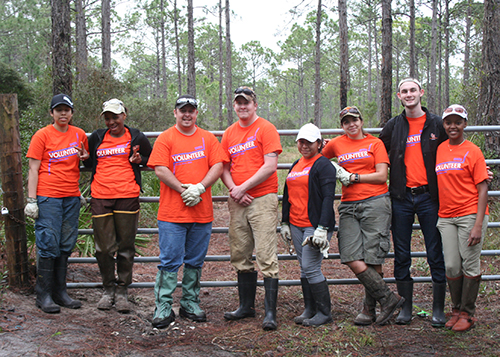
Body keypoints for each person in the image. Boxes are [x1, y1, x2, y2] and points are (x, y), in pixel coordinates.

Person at [147, 95, 227, 328]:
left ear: (196, 113)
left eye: (191, 110)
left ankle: (190, 302)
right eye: (183, 110)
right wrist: (184, 190)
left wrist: (200, 187)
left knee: (195, 260)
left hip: (201, 214)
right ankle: (163, 305)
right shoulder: (165, 138)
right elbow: (160, 169)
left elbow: (218, 165)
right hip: (172, 214)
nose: (187, 114)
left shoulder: (208, 138)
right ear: (175, 112)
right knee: (169, 260)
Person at [323, 107, 404, 325]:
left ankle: (369, 310)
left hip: (375, 202)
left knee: (373, 255)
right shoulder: (336, 144)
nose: (351, 125)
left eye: (354, 120)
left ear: (361, 121)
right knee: (349, 254)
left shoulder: (375, 143)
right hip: (349, 205)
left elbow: (381, 176)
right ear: (342, 126)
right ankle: (388, 298)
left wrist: (353, 177)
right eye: (346, 122)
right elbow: (318, 159)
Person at [379, 78, 448, 326]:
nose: (409, 95)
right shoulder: (393, 125)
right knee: (402, 253)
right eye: (404, 91)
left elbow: (454, 149)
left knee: (435, 252)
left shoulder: (436, 124)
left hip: (429, 196)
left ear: (421, 92)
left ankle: (438, 309)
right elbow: (376, 151)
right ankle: (405, 307)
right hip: (402, 197)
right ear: (399, 96)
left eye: (412, 90)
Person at [221, 86, 282, 331]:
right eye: (238, 103)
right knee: (240, 252)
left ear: (255, 105)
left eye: (246, 102)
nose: (242, 106)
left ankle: (270, 313)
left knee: (266, 255)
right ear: (234, 106)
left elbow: (270, 166)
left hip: (262, 199)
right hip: (238, 201)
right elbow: (224, 168)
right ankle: (246, 307)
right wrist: (235, 190)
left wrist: (242, 188)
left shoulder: (266, 128)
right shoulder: (229, 133)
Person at [83, 99, 152, 313]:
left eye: (115, 116)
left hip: (127, 195)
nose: (111, 121)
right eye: (108, 117)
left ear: (124, 115)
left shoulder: (137, 136)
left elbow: (150, 159)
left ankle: (122, 291)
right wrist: (85, 159)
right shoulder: (96, 137)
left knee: (125, 246)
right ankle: (107, 289)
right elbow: (90, 162)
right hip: (101, 196)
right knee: (103, 249)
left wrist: (140, 159)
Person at [25, 93, 88, 313]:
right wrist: (32, 200)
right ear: (52, 113)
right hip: (48, 196)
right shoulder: (42, 135)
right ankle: (43, 294)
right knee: (48, 241)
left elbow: (83, 160)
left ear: (71, 113)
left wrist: (85, 157)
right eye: (59, 110)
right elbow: (33, 168)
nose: (63, 114)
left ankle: (61, 292)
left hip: (71, 196)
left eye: (67, 110)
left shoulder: (79, 134)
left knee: (65, 243)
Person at [435, 105, 489, 332]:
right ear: (444, 125)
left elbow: (483, 187)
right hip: (446, 216)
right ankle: (456, 309)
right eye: (449, 122)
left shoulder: (473, 151)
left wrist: (478, 224)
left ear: (465, 124)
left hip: (469, 214)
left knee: (470, 262)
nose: (453, 126)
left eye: (458, 122)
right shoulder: (439, 149)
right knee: (451, 265)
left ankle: (468, 312)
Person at [280, 123, 336, 327]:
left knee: (310, 267)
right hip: (296, 224)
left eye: (309, 142)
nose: (304, 146)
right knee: (304, 269)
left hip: (315, 225)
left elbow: (328, 198)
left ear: (319, 143)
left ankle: (324, 312)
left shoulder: (323, 165)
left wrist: (322, 228)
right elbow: (288, 195)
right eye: (301, 142)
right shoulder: (296, 164)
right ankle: (310, 309)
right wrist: (285, 221)